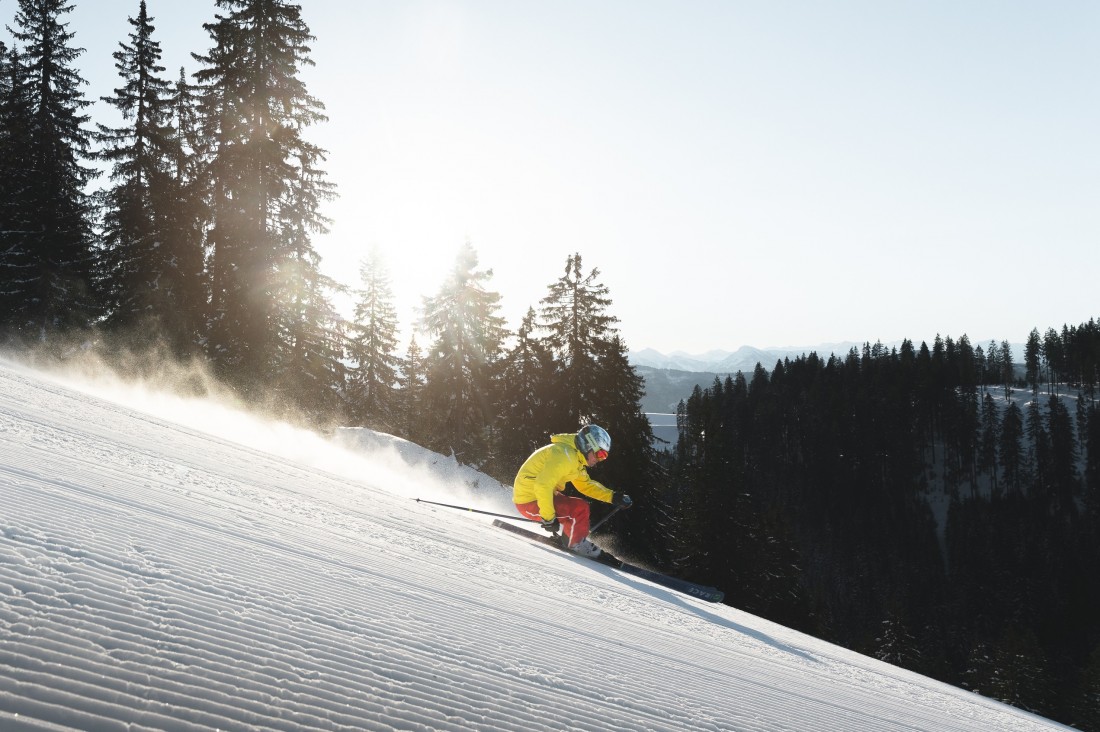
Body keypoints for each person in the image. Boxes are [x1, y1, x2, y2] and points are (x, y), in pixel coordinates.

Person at [512, 424, 632, 557]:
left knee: (579, 508)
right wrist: (548, 517)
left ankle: (571, 540)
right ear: (588, 446)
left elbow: (585, 485)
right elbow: (543, 485)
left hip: (539, 495)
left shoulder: (574, 457)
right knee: (579, 509)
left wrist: (613, 497)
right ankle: (576, 544)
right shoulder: (564, 456)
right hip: (528, 500)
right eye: (599, 454)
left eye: (604, 456)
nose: (600, 459)